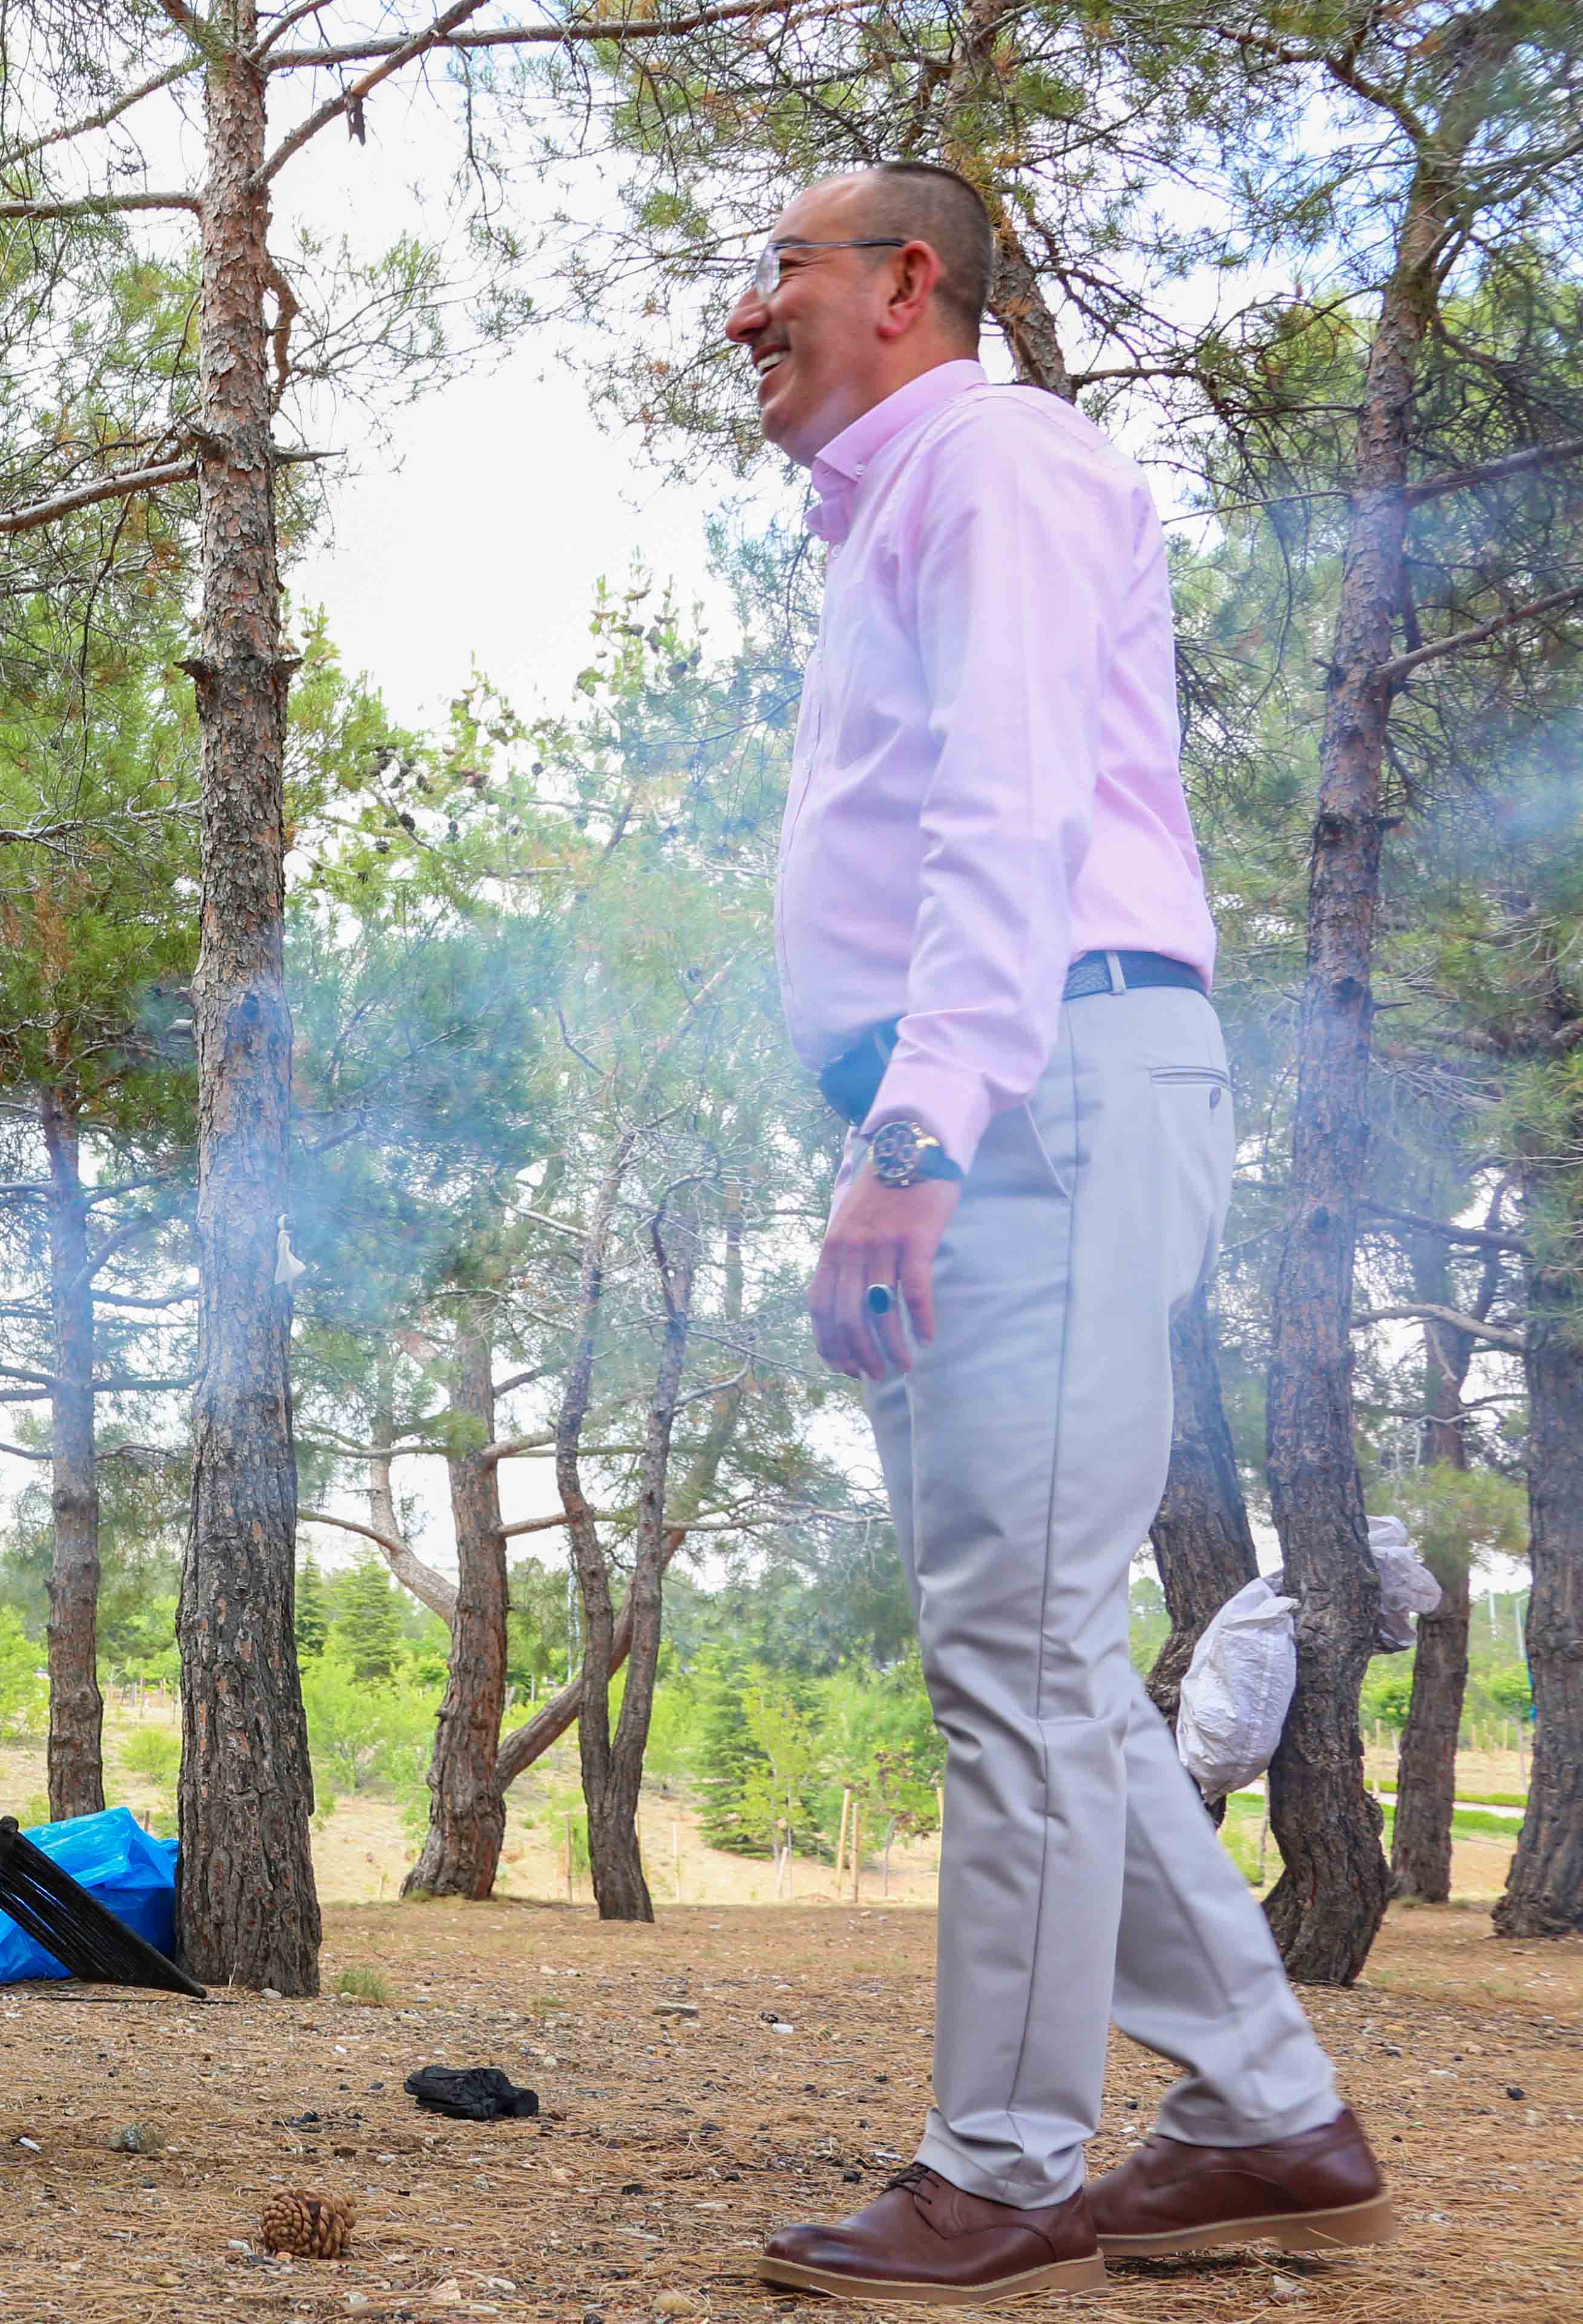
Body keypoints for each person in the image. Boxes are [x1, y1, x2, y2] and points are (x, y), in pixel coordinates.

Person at [730, 162, 1391, 2305]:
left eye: (784, 269)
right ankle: (1272, 2118)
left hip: (1039, 1093)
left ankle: (1004, 2167)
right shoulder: (905, 510)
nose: (746, 314)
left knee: (1020, 1654)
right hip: (1007, 1094)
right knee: (1038, 1657)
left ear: (908, 282)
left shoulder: (996, 459)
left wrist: (922, 1124)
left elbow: (1012, 804)